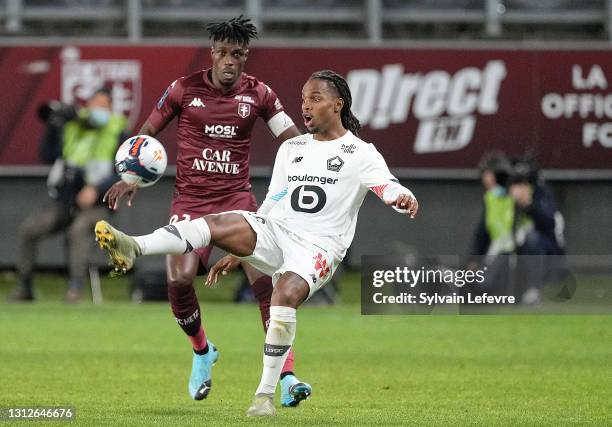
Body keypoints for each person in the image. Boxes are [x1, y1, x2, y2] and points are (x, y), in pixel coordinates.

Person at [94, 70, 419, 416]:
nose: (306, 107)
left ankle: (264, 396)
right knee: (219, 223)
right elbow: (274, 200)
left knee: (283, 295)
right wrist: (241, 248)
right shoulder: (292, 149)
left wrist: (402, 197)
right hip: (277, 231)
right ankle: (134, 246)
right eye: (304, 99)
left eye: (316, 99)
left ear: (337, 105)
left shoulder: (359, 152)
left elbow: (386, 185)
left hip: (318, 248)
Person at [102, 16, 309, 404]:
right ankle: (202, 352)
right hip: (192, 202)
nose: (230, 61)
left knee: (267, 282)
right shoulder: (183, 89)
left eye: (239, 54)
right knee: (179, 280)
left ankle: (286, 376)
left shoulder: (260, 94)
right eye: (223, 53)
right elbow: (145, 134)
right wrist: (131, 176)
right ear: (212, 54)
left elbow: (294, 143)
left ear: (246, 56)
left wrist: (322, 162)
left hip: (237, 202)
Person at [9, 88, 126, 303]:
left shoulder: (117, 130)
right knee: (29, 229)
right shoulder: (73, 126)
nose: (99, 110)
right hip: (66, 201)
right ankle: (24, 287)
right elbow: (47, 155)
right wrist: (53, 127)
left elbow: (125, 171)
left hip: (98, 204)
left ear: (111, 110)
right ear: (86, 105)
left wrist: (97, 189)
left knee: (78, 230)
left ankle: (75, 288)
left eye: (104, 106)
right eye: (95, 104)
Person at [468, 152, 565, 304]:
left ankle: (533, 289)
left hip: (541, 254)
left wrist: (527, 204)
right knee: (483, 286)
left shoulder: (539, 193)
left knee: (532, 239)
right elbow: (484, 233)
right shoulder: (495, 198)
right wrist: (474, 257)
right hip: (505, 251)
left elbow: (548, 224)